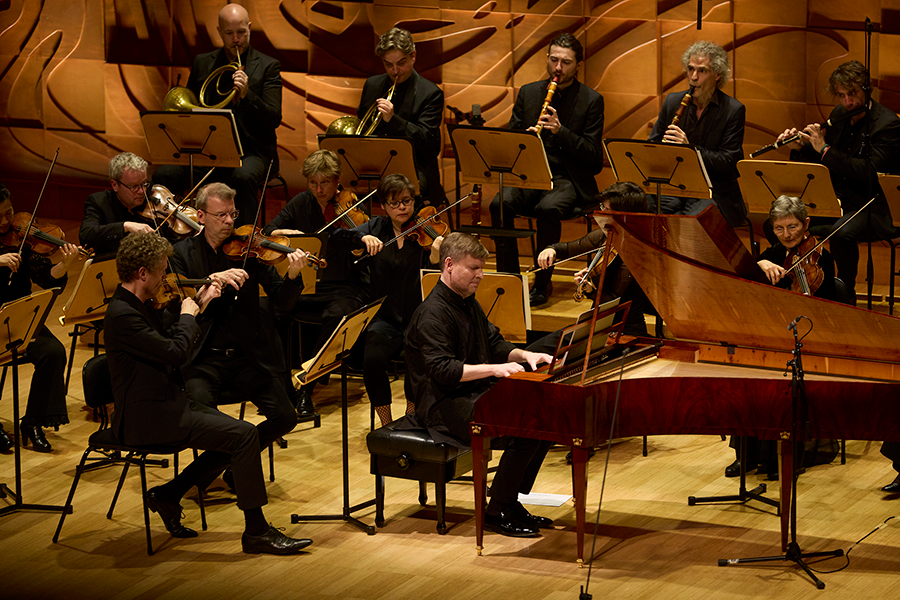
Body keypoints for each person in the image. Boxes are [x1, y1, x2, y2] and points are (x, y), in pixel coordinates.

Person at [105, 232, 312, 553]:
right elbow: (175, 352)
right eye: (161, 271)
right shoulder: (123, 315)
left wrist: (199, 303)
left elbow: (168, 343)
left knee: (237, 438)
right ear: (142, 273)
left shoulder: (139, 305)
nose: (165, 278)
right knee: (243, 436)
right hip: (147, 417)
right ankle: (256, 532)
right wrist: (189, 313)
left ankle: (169, 494)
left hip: (166, 404)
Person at [405, 232, 554, 537]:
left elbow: (494, 342)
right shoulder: (433, 314)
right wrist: (496, 369)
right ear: (449, 265)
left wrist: (526, 354)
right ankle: (498, 509)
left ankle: (507, 501)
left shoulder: (467, 302)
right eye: (473, 268)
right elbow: (443, 370)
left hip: (471, 395)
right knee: (523, 431)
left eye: (481, 268)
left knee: (545, 417)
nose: (480, 275)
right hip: (442, 406)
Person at [170, 182, 307, 471]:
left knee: (286, 417)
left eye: (232, 214)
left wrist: (293, 275)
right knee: (202, 420)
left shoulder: (250, 250)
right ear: (201, 216)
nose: (230, 221)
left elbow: (282, 302)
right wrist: (212, 280)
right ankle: (237, 461)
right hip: (203, 359)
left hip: (247, 358)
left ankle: (236, 462)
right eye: (221, 215)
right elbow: (175, 304)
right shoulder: (181, 254)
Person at [724, 195, 838, 479]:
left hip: (812, 336)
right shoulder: (773, 252)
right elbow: (749, 285)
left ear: (806, 224)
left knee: (780, 378)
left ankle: (783, 456)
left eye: (793, 227)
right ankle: (748, 454)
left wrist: (798, 278)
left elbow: (820, 303)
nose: (787, 235)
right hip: (776, 332)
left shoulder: (822, 254)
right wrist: (760, 263)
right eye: (779, 228)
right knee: (748, 374)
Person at [489, 32, 604, 307]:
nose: (558, 68)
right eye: (553, 60)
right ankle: (509, 278)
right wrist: (525, 141)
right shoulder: (529, 92)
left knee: (548, 209)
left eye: (565, 62)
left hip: (567, 178)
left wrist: (560, 131)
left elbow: (594, 158)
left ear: (578, 65)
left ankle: (542, 283)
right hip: (530, 175)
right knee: (499, 203)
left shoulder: (591, 100)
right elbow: (510, 139)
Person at [776, 60, 900, 302]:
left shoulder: (888, 125)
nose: (847, 102)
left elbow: (869, 172)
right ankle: (803, 283)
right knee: (784, 221)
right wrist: (801, 146)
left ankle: (845, 297)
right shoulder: (839, 115)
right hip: (841, 202)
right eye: (841, 96)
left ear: (866, 89)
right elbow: (829, 159)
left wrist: (823, 147)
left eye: (852, 94)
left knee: (842, 233)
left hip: (877, 206)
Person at [152, 3, 282, 226]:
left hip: (250, 152)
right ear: (219, 31)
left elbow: (273, 118)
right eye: (229, 33)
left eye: (241, 32)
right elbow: (191, 109)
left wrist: (247, 95)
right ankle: (173, 237)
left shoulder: (268, 66)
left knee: (243, 177)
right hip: (208, 151)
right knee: (164, 175)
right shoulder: (203, 63)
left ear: (250, 28)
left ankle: (244, 242)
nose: (236, 39)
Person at [263, 149, 370, 417]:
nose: (319, 189)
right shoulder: (301, 202)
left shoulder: (352, 208)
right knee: (272, 310)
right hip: (309, 286)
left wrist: (357, 244)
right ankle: (277, 384)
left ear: (337, 181)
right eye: (313, 183)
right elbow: (268, 232)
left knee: (337, 315)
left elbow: (364, 251)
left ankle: (305, 389)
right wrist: (292, 233)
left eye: (324, 183)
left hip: (345, 286)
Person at [330, 174, 442, 427]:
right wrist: (360, 238)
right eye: (395, 203)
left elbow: (439, 279)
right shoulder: (376, 227)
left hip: (419, 318)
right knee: (371, 361)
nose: (402, 208)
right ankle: (386, 422)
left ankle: (412, 417)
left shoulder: (425, 231)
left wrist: (436, 258)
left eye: (407, 201)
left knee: (419, 366)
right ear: (383, 206)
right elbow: (336, 238)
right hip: (386, 317)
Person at [0, 183, 80, 453]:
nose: (5, 222)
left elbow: (46, 279)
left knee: (53, 352)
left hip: (19, 316)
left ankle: (33, 421)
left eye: (8, 213)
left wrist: (65, 265)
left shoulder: (22, 239)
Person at [536, 181, 656, 338]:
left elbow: (612, 300)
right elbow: (568, 248)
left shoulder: (636, 251)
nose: (600, 214)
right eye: (602, 207)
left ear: (625, 215)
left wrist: (590, 290)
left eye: (607, 210)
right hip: (599, 325)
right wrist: (551, 249)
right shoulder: (606, 236)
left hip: (624, 331)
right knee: (547, 344)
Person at [648, 40, 746, 229]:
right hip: (675, 188)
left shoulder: (733, 110)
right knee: (643, 209)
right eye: (690, 69)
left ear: (717, 74)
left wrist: (689, 149)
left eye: (702, 71)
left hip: (714, 192)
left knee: (691, 223)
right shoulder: (673, 101)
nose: (693, 77)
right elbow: (653, 144)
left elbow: (728, 162)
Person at [357, 27, 445, 207]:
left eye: (401, 63)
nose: (395, 70)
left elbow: (426, 141)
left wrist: (393, 119)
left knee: (404, 193)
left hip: (415, 167)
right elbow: (362, 129)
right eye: (388, 64)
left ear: (413, 56)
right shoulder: (372, 85)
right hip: (376, 164)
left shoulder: (431, 93)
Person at [79, 152, 156, 255]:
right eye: (134, 187)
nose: (142, 191)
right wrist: (124, 226)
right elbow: (86, 235)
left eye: (144, 184)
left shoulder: (152, 198)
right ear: (115, 185)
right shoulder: (98, 202)